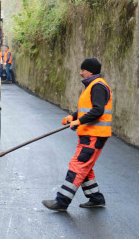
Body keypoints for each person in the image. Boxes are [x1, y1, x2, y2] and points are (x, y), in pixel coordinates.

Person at [42, 58, 112, 212]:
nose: (80, 73)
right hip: (90, 134)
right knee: (85, 168)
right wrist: (72, 117)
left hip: (95, 135)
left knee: (78, 166)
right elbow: (87, 110)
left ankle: (61, 202)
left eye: (83, 70)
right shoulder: (91, 86)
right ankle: (96, 198)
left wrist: (79, 121)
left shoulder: (97, 86)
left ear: (90, 71)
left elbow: (98, 110)